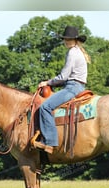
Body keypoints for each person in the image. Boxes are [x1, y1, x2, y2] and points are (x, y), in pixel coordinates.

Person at [33, 26, 91, 154]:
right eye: (65, 38)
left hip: (72, 87)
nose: (66, 41)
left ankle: (50, 142)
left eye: (69, 39)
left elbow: (64, 76)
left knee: (45, 107)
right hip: (77, 86)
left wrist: (47, 82)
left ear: (75, 40)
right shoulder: (78, 51)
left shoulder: (72, 52)